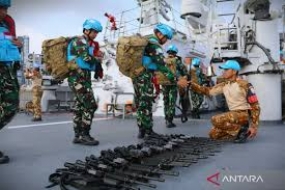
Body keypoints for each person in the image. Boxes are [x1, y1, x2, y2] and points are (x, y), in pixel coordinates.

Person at [178, 60, 260, 143]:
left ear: (234, 71)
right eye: (223, 70)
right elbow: (208, 91)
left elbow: (255, 106)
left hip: (243, 114)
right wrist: (191, 85)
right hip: (232, 116)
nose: (223, 72)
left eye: (226, 70)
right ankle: (240, 132)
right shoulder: (224, 85)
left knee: (215, 119)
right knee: (213, 134)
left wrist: (254, 126)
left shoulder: (245, 85)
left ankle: (242, 130)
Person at [133, 23, 175, 138]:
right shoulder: (154, 43)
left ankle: (142, 130)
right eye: (166, 38)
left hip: (137, 75)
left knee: (140, 103)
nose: (166, 41)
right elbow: (161, 63)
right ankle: (148, 131)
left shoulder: (146, 40)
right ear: (160, 34)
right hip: (145, 75)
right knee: (146, 103)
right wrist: (173, 78)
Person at [67, 19, 103, 145]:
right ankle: (84, 134)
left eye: (97, 33)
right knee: (90, 104)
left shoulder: (88, 43)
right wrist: (98, 59)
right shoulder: (79, 41)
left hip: (83, 77)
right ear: (87, 30)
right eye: (94, 32)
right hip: (78, 77)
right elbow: (86, 58)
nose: (95, 35)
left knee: (80, 106)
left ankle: (78, 135)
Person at [0, 0, 22, 164]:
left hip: (7, 70)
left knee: (11, 105)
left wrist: (18, 45)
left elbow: (9, 48)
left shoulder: (6, 28)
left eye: (5, 8)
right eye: (0, 8)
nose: (3, 12)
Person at [159, 44, 187, 128]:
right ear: (175, 52)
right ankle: (170, 121)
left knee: (166, 102)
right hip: (173, 84)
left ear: (168, 52)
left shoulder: (163, 60)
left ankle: (166, 118)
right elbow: (184, 72)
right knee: (172, 103)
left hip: (164, 84)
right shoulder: (177, 61)